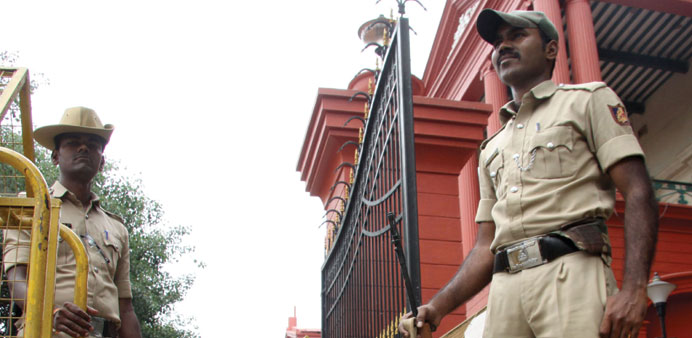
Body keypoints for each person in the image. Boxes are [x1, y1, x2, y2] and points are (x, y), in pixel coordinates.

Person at [399, 9, 658, 338]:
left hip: (569, 272)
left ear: (551, 49)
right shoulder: (491, 147)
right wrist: (437, 308)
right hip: (505, 290)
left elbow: (638, 191)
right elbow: (484, 246)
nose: (503, 46)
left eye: (517, 36)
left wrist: (635, 289)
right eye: (498, 42)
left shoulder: (587, 101)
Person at [3, 106, 142, 338]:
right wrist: (50, 313)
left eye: (93, 143)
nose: (83, 147)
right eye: (72, 142)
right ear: (55, 156)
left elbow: (125, 307)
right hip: (46, 331)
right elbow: (16, 278)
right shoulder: (31, 208)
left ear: (102, 161)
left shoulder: (116, 228)